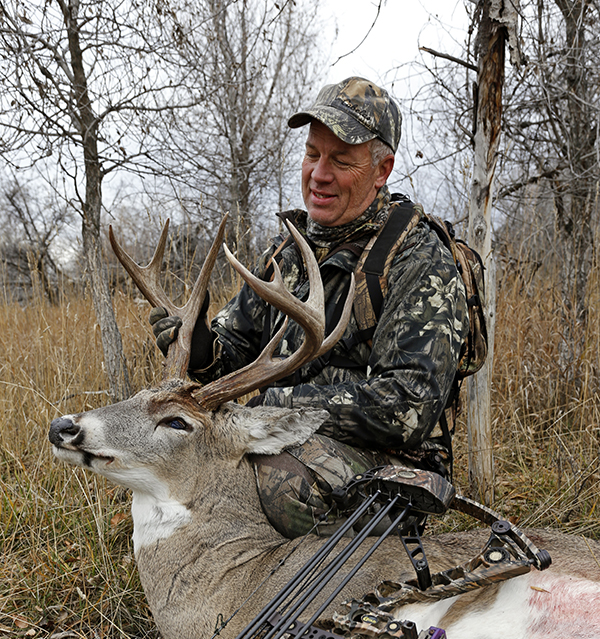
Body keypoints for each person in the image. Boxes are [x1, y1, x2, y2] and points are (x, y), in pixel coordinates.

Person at [152, 76, 469, 537]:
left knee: (278, 480)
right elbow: (234, 349)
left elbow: (408, 408)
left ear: (382, 171)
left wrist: (278, 406)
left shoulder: (418, 259)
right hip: (289, 432)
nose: (319, 174)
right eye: (312, 154)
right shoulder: (290, 252)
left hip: (398, 466)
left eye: (341, 161)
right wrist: (202, 348)